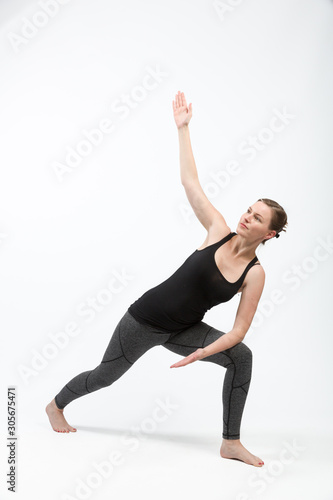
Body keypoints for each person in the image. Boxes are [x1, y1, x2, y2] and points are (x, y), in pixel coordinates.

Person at [46, 91, 288, 467]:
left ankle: (231, 442)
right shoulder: (217, 229)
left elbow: (238, 331)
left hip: (185, 330)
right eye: (249, 210)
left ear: (269, 234)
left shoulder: (254, 275)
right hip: (143, 321)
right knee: (105, 377)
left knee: (241, 357)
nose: (247, 218)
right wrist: (183, 129)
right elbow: (191, 182)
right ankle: (55, 405)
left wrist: (202, 354)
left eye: (257, 219)